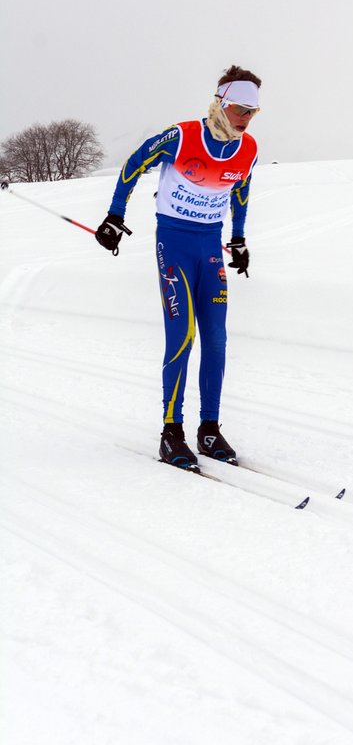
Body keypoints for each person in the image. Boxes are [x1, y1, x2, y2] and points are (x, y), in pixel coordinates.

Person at [95, 65, 261, 470]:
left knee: (217, 341)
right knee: (183, 336)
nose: (246, 118)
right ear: (221, 103)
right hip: (174, 244)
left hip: (210, 248)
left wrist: (238, 239)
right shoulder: (182, 136)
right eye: (241, 109)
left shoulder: (248, 149)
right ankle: (172, 433)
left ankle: (210, 429)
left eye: (253, 112)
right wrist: (115, 215)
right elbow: (134, 163)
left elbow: (241, 192)